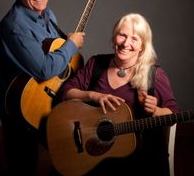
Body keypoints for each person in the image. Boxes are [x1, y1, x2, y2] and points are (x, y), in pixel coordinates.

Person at [59, 13, 180, 176]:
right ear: (114, 37)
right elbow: (67, 92)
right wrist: (94, 96)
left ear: (142, 47)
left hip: (135, 158)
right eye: (122, 35)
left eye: (134, 39)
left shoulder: (155, 75)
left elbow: (174, 114)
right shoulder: (96, 64)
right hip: (92, 151)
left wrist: (156, 111)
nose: (126, 43)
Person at [0, 0, 85, 176]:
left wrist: (68, 50)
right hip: (20, 109)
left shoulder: (48, 15)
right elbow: (44, 69)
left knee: (67, 158)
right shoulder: (14, 27)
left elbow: (55, 54)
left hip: (46, 101)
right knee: (23, 167)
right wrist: (71, 45)